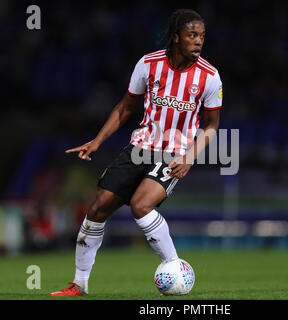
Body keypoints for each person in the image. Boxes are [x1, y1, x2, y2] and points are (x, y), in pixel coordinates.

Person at [50, 8, 222, 296]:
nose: (199, 41)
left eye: (202, 36)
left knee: (141, 205)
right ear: (177, 37)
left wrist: (190, 157)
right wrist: (97, 142)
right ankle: (79, 284)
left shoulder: (209, 76)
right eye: (192, 35)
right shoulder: (148, 64)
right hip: (140, 147)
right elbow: (125, 107)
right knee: (96, 209)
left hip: (174, 153)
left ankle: (176, 269)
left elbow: (212, 126)